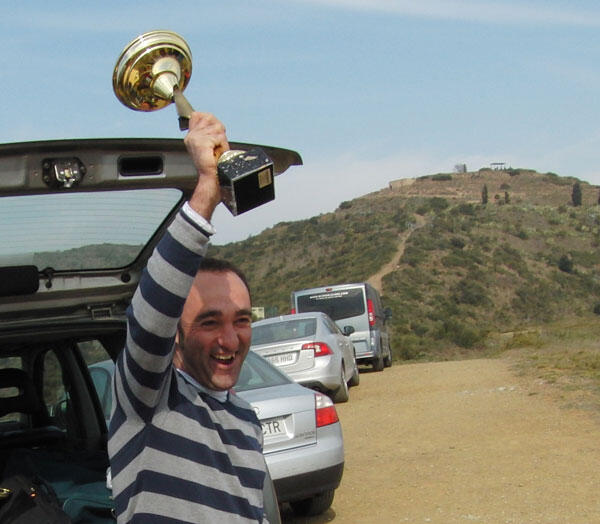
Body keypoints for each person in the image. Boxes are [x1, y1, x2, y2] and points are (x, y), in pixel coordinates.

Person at [108, 112, 270, 523]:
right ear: (175, 334)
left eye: (241, 320)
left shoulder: (247, 420)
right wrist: (207, 190)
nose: (230, 340)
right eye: (209, 322)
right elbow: (150, 315)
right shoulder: (149, 396)